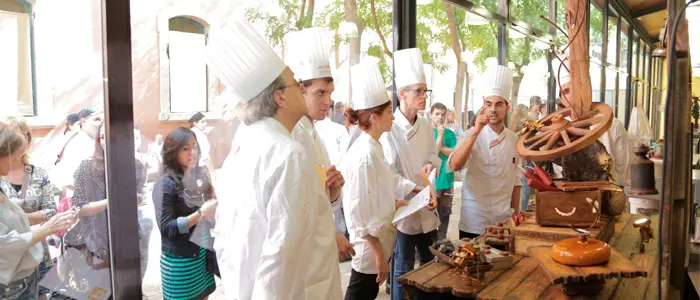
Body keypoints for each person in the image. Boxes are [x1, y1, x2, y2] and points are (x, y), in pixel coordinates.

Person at [207, 20, 337, 299]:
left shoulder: (244, 147)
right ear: (280, 97)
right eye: (295, 84)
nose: (302, 91)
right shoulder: (288, 153)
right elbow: (280, 258)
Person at [284, 27, 351, 285]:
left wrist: (333, 191)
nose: (328, 102)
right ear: (300, 92)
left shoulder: (314, 133)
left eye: (330, 94)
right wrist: (333, 234)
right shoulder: (290, 137)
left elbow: (322, 197)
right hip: (302, 259)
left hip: (320, 254)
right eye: (320, 93)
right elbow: (292, 210)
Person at [382, 48, 441, 299]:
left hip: (428, 205)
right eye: (418, 91)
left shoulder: (426, 124)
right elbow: (390, 175)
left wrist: (430, 166)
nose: (424, 96)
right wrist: (416, 189)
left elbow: (432, 156)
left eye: (425, 91)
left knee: (431, 266)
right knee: (403, 268)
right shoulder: (389, 128)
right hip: (406, 207)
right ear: (402, 93)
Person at [341, 61, 399, 300]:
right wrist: (377, 254)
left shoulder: (375, 147)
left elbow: (376, 195)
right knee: (359, 294)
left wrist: (397, 204)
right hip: (368, 249)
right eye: (388, 112)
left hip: (379, 244)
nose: (393, 116)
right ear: (374, 117)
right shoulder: (364, 154)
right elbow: (360, 213)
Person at [0, 121, 78, 299]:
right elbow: (4, 244)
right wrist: (45, 227)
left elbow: (50, 210)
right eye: (12, 156)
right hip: (11, 283)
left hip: (28, 272)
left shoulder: (38, 173)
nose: (14, 163)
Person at [62, 122, 149, 277]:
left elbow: (138, 198)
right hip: (94, 240)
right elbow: (79, 208)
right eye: (102, 137)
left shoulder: (135, 166)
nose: (106, 141)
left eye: (112, 137)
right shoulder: (86, 167)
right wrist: (112, 201)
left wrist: (137, 199)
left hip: (124, 235)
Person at [448, 65, 522, 239]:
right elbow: (454, 165)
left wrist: (515, 214)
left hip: (503, 222)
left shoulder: (514, 139)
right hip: (474, 220)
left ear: (507, 107)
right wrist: (476, 130)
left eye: (498, 104)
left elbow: (516, 179)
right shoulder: (470, 135)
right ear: (483, 106)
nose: (493, 110)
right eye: (489, 104)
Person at [153, 127, 218, 300]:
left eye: (194, 147)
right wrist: (201, 214)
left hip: (202, 255)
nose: (193, 153)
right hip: (180, 263)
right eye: (185, 148)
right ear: (173, 152)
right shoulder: (165, 184)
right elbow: (167, 228)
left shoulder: (198, 176)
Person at [553, 58, 631, 186]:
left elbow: (624, 169)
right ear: (561, 99)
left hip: (608, 194)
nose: (572, 97)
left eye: (576, 89)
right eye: (565, 92)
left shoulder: (613, 125)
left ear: (586, 92)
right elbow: (559, 171)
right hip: (570, 197)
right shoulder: (556, 133)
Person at [52, 107, 103, 197]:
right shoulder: (78, 143)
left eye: (103, 119)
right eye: (97, 119)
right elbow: (64, 178)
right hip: (79, 201)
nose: (100, 123)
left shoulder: (95, 141)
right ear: (83, 121)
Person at [428, 103, 457, 241]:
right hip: (432, 181)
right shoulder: (427, 132)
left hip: (447, 179)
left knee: (445, 214)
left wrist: (439, 148)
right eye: (437, 114)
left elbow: (455, 152)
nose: (440, 117)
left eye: (442, 114)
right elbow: (433, 151)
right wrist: (439, 136)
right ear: (430, 115)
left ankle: (442, 242)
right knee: (431, 216)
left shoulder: (450, 133)